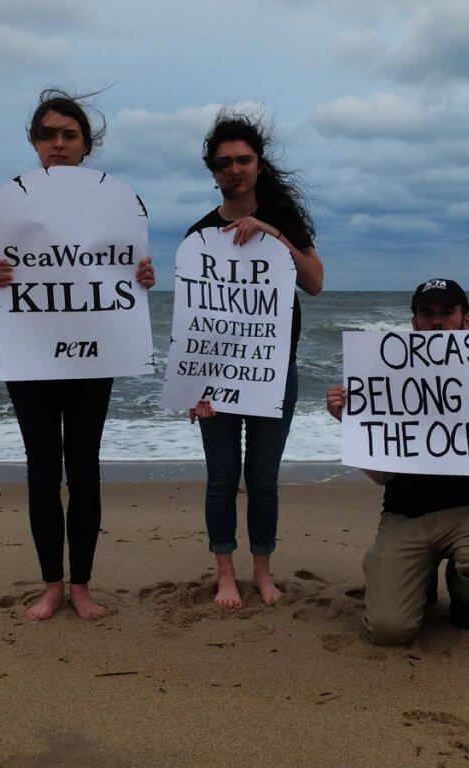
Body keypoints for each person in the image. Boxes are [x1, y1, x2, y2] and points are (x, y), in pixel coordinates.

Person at [0, 89, 156, 621]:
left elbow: (123, 271)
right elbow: (11, 283)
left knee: (84, 470)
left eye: (69, 134)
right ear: (35, 143)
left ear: (85, 145)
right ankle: (51, 584)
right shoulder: (12, 202)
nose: (59, 143)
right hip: (31, 358)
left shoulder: (115, 203)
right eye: (48, 134)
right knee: (41, 472)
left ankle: (81, 586)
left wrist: (143, 278)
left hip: (91, 359)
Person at [326, 278, 469, 644]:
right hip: (405, 515)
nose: (437, 322)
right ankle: (418, 579)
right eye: (427, 314)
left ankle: (465, 598)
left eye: (447, 313)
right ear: (414, 323)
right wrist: (351, 423)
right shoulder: (391, 374)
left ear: (467, 321)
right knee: (388, 631)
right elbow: (382, 476)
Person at [186, 111, 324, 609]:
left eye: (243, 159)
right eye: (224, 162)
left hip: (273, 370)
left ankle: (262, 571)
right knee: (222, 477)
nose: (234, 169)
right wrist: (191, 386)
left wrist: (271, 233)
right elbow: (193, 321)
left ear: (259, 165)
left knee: (263, 477)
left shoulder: (281, 222)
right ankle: (225, 573)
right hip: (216, 376)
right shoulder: (198, 237)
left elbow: (314, 281)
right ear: (213, 171)